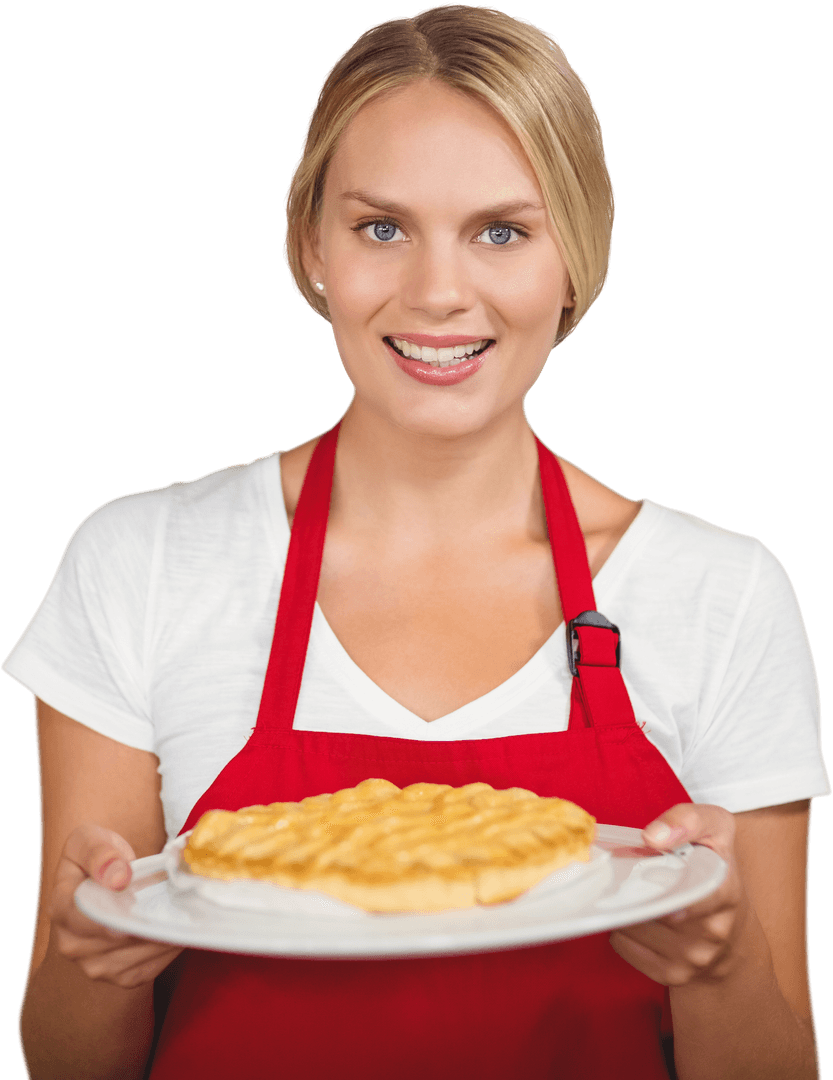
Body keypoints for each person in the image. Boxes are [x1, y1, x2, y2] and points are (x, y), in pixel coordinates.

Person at [4, 5, 827, 1079]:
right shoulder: (140, 563)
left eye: (502, 231)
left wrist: (719, 968)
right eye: (381, 228)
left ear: (574, 258)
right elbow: (67, 1063)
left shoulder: (719, 592)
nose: (438, 293)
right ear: (313, 246)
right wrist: (95, 961)